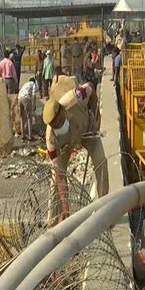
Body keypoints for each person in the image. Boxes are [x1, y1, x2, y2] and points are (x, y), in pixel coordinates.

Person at [43, 82, 108, 225]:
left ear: (63, 110)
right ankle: (54, 222)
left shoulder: (76, 97)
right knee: (55, 177)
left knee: (101, 162)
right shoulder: (51, 139)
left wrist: (97, 117)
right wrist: (66, 206)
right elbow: (61, 176)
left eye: (60, 121)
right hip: (65, 145)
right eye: (56, 125)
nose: (60, 125)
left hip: (87, 130)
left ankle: (104, 210)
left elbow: (91, 88)